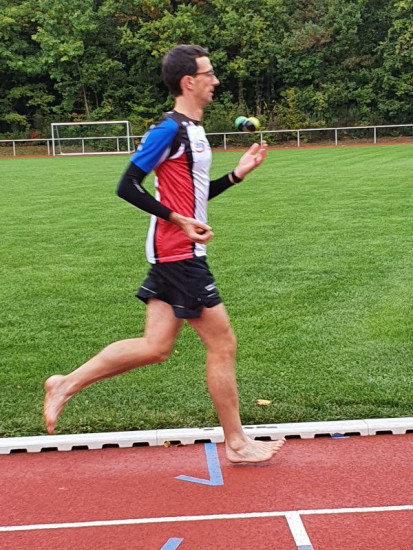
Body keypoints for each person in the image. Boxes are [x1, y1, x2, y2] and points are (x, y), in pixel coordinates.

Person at [44, 44, 285, 463]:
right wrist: (178, 221)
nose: (216, 81)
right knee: (223, 343)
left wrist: (236, 174)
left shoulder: (194, 130)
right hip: (178, 252)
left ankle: (64, 383)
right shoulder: (168, 130)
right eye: (209, 74)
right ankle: (237, 443)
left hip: (177, 249)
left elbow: (194, 196)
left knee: (155, 346)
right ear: (189, 81)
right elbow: (127, 186)